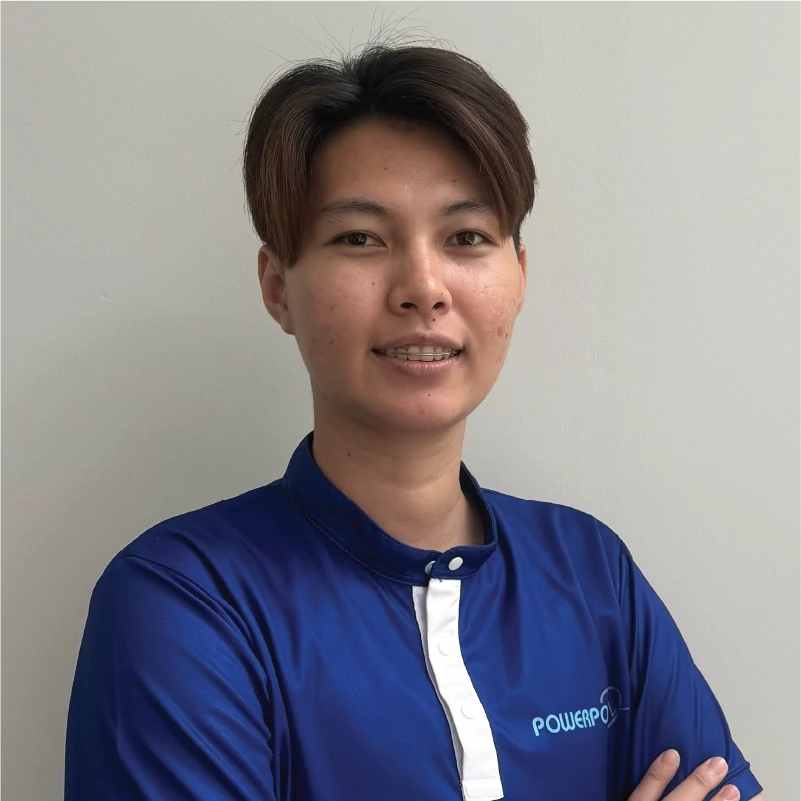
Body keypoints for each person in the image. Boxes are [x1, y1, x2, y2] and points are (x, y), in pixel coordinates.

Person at [65, 43, 764, 801]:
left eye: (466, 237)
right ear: (277, 287)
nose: (423, 288)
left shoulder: (592, 573)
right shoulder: (187, 603)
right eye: (359, 238)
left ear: (518, 276)